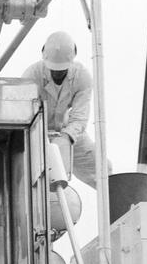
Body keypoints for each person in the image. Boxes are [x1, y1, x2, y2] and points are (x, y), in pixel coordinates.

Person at [22, 30, 107, 191]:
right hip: (37, 134)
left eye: (61, 70)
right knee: (32, 180)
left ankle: (117, 210)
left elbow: (80, 117)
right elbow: (25, 114)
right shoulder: (31, 76)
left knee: (103, 170)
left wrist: (67, 136)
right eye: (54, 70)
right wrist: (42, 136)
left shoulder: (82, 77)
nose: (57, 73)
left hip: (68, 130)